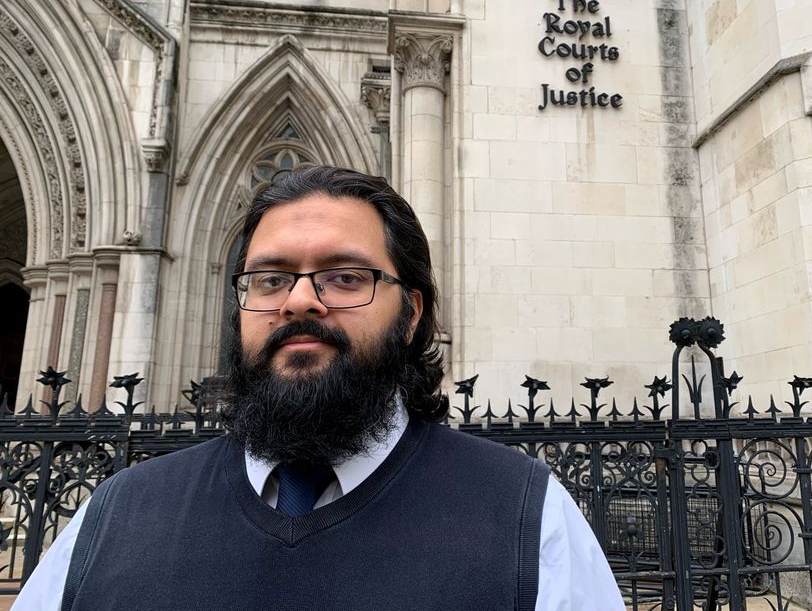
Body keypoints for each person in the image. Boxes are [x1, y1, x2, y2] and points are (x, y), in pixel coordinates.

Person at [16, 166, 623, 611]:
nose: (300, 299)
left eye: (345, 276)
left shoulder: (527, 518)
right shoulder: (117, 514)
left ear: (412, 315)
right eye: (270, 279)